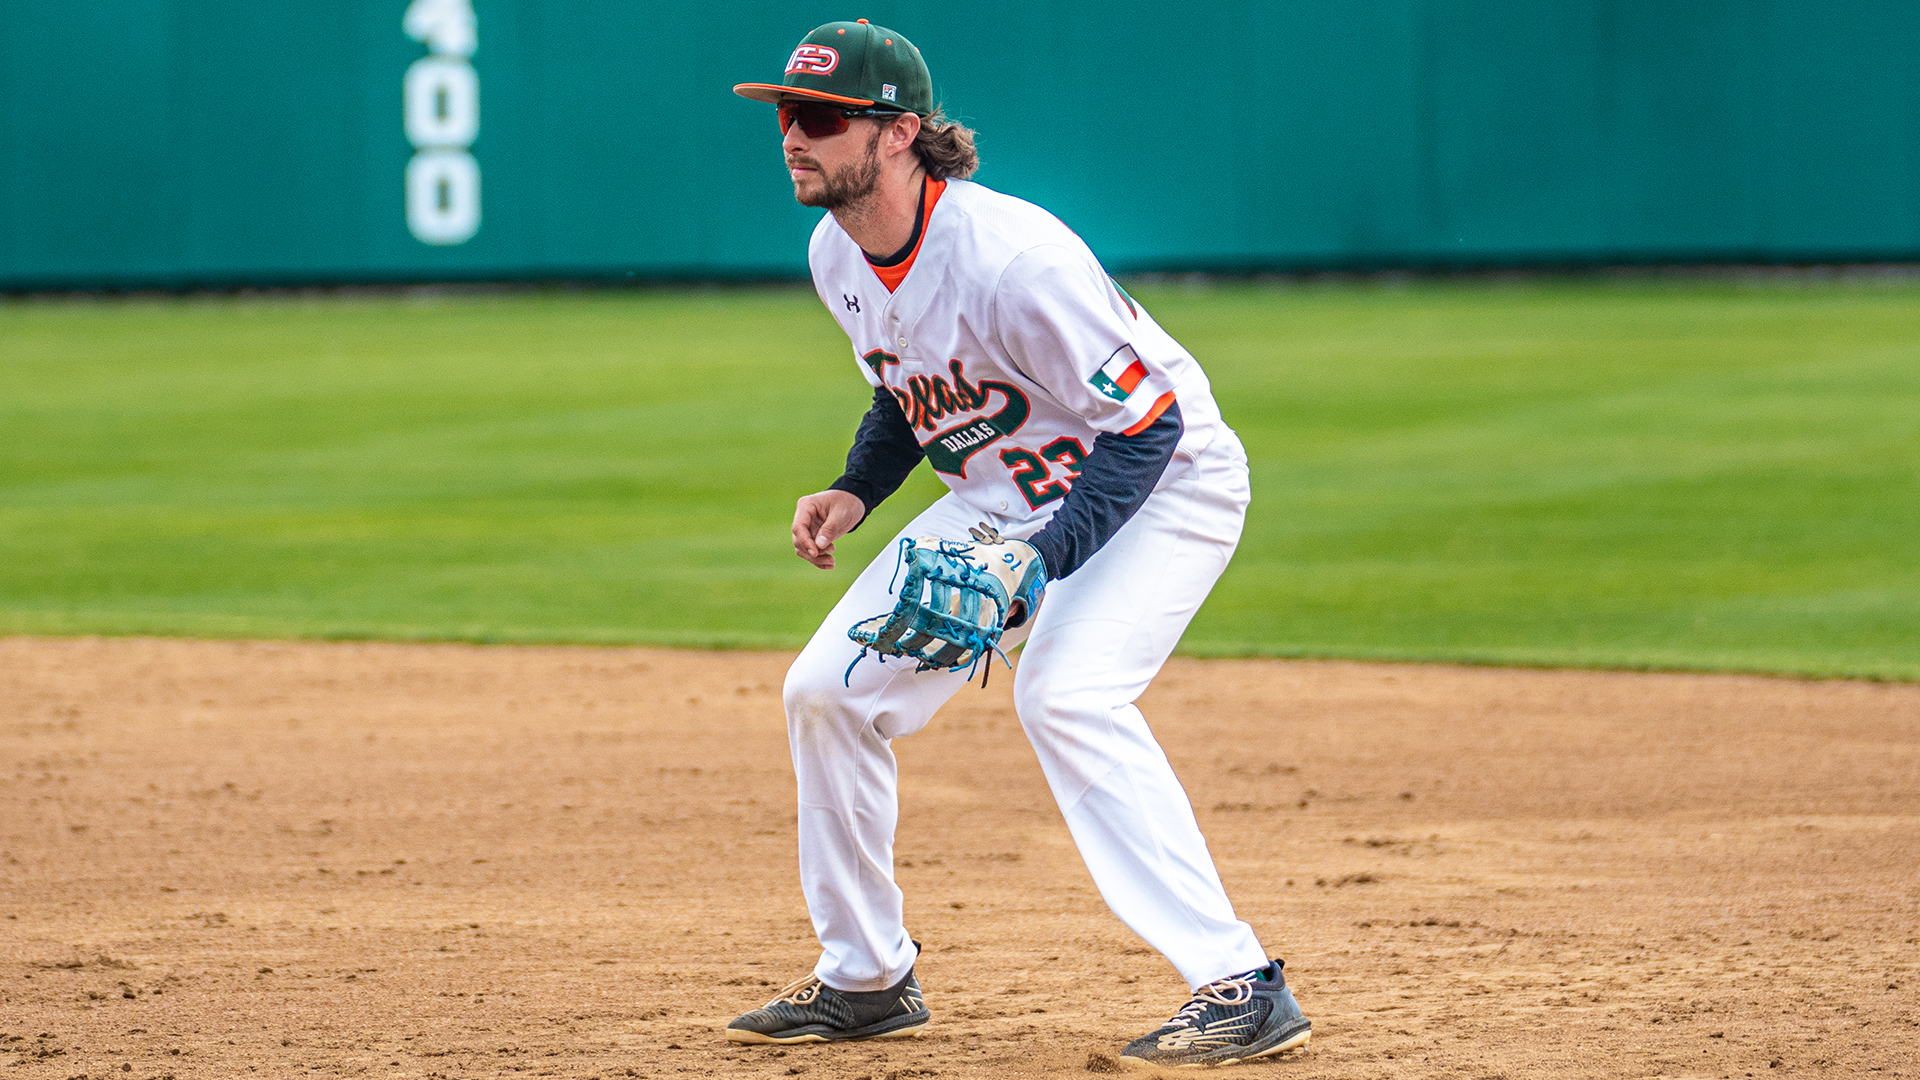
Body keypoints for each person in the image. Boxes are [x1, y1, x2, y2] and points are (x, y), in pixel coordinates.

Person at [722, 20, 1312, 1068]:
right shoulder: (836, 251)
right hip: (1003, 495)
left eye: (819, 116)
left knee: (1066, 694)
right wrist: (858, 488)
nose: (792, 137)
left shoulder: (1014, 259)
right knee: (824, 695)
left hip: (1162, 487)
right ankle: (867, 978)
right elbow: (908, 383)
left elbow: (1150, 425)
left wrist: (1041, 566)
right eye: (784, 116)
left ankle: (1241, 984)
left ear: (899, 132)